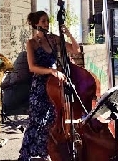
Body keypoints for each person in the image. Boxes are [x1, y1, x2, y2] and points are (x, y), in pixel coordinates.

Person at [18, 10, 80, 161]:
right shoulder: (31, 43)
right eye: (44, 21)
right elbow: (32, 67)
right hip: (40, 86)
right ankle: (27, 155)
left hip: (54, 85)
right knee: (37, 121)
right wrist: (51, 71)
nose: (47, 24)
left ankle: (46, 152)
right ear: (36, 24)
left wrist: (68, 33)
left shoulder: (53, 39)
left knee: (51, 121)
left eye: (47, 21)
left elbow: (76, 50)